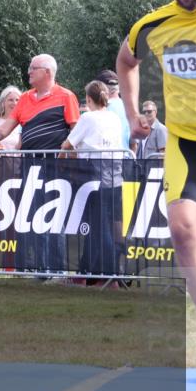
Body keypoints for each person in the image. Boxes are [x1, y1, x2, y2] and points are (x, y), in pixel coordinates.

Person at [116, 0, 196, 377]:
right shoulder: (154, 25)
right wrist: (133, 115)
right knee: (182, 229)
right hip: (187, 145)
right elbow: (126, 60)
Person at [0, 54, 80, 274]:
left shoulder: (66, 96)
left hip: (55, 167)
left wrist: (67, 157)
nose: (28, 71)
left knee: (53, 217)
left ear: (47, 72)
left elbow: (75, 131)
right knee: (34, 216)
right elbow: (3, 130)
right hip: (29, 166)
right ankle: (40, 268)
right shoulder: (26, 98)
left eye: (33, 68)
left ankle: (56, 270)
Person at [61, 80, 124, 283]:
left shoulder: (88, 117)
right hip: (115, 176)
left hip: (94, 177)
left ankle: (111, 275)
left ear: (88, 99)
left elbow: (67, 144)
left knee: (98, 227)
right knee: (101, 227)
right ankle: (85, 273)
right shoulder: (114, 117)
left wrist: (66, 157)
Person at [95, 69, 131, 154]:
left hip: (106, 160)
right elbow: (134, 143)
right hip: (127, 158)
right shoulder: (128, 106)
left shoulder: (102, 109)